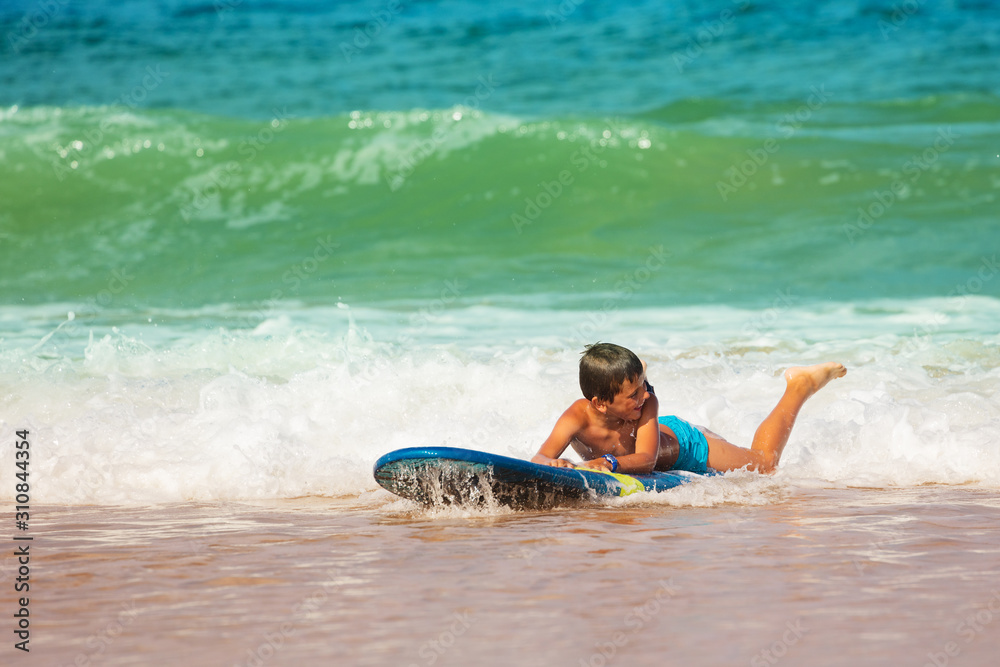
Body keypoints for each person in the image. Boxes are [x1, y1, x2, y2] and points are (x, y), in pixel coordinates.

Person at [531, 342, 846, 474]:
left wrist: (608, 463)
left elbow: (646, 459)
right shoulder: (576, 416)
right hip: (656, 440)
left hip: (686, 446)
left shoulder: (647, 404)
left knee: (763, 466)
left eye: (643, 387)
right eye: (631, 395)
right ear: (599, 403)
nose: (642, 397)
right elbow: (541, 457)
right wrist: (552, 465)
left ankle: (799, 386)